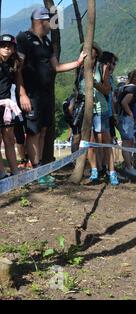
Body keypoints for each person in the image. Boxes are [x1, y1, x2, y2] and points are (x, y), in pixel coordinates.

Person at [16, 7, 87, 186]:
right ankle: (36, 171)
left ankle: (41, 170)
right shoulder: (24, 38)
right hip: (30, 94)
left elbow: (56, 67)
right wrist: (22, 93)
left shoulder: (46, 42)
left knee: (43, 131)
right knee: (33, 131)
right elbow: (17, 68)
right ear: (41, 21)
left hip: (46, 94)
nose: (52, 25)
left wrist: (78, 62)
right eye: (50, 21)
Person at [77, 42, 118, 185]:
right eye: (86, 52)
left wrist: (95, 83)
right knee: (90, 142)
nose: (89, 55)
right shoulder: (80, 69)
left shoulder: (103, 67)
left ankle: (111, 171)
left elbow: (107, 90)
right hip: (87, 110)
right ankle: (94, 170)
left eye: (92, 53)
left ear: (97, 54)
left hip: (101, 110)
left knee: (104, 141)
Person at [0, 34, 31, 179]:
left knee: (9, 140)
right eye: (3, 45)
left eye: (9, 46)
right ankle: (1, 174)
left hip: (7, 107)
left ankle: (15, 173)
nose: (6, 48)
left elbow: (19, 81)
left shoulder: (13, 64)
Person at [117, 68, 136, 178]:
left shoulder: (124, 87)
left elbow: (117, 101)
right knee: (127, 142)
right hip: (126, 119)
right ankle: (129, 167)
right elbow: (124, 102)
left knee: (128, 142)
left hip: (122, 117)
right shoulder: (132, 89)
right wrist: (131, 115)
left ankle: (128, 165)